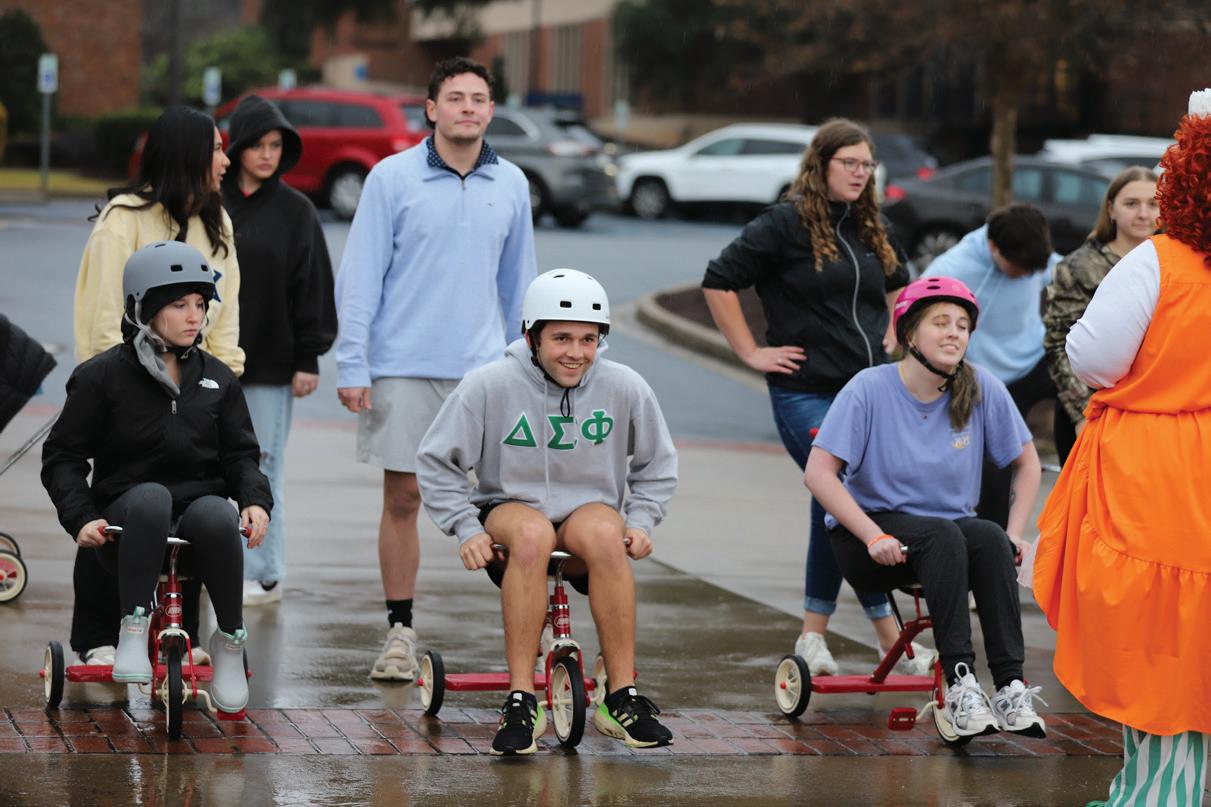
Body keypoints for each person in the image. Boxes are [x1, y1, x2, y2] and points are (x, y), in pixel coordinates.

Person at [701, 118, 931, 677]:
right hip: (805, 390)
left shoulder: (873, 225)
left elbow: (902, 286)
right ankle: (866, 636)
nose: (860, 173)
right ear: (821, 164)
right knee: (841, 494)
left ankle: (831, 637)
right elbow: (718, 279)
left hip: (867, 391)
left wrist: (896, 332)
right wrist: (750, 351)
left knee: (837, 504)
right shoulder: (784, 223)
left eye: (867, 164)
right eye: (849, 163)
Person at [417, 269, 677, 755]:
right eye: (561, 338)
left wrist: (642, 520)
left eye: (588, 339)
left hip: (586, 517)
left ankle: (621, 696)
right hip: (511, 512)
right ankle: (521, 698)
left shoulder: (625, 386)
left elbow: (657, 464)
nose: (576, 352)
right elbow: (437, 460)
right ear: (530, 337)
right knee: (534, 533)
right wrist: (465, 528)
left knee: (606, 532)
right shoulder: (488, 384)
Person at [1035, 89, 1211, 807]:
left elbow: (1092, 357)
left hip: (1152, 465)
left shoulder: (1156, 262)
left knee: (1158, 641)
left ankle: (1162, 795)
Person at [334, 56, 536, 682]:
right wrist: (353, 362)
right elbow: (361, 275)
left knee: (513, 502)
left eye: (478, 99)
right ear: (431, 109)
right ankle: (399, 632)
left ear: (491, 110)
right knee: (404, 497)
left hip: (488, 372)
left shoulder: (512, 183)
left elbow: (520, 283)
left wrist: (528, 365)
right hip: (401, 365)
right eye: (455, 98)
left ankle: (530, 633)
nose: (467, 108)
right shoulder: (391, 178)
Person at [805, 275, 1046, 741]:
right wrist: (872, 535)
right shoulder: (868, 388)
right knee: (946, 533)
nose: (954, 333)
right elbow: (819, 473)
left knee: (989, 536)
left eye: (962, 325)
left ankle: (1010, 686)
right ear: (910, 333)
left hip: (944, 534)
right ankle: (960, 685)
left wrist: (1015, 531)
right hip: (868, 537)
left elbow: (1027, 462)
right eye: (941, 322)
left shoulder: (981, 387)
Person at [42, 241, 270, 713]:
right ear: (143, 308)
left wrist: (254, 499)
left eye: (201, 304)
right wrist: (80, 516)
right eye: (179, 304)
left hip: (193, 531)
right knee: (151, 497)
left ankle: (229, 640)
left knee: (217, 512)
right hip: (124, 527)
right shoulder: (101, 377)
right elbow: (63, 455)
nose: (194, 316)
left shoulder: (218, 380)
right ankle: (131, 627)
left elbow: (241, 456)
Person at [70, 105, 244, 669]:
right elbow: (103, 314)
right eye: (216, 149)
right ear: (188, 155)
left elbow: (226, 312)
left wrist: (222, 385)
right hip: (127, 387)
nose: (226, 160)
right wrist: (115, 384)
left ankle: (179, 633)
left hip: (197, 387)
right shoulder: (123, 219)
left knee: (195, 501)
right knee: (122, 505)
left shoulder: (216, 222)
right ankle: (99, 634)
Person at [222, 95, 337, 605]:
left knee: (263, 468)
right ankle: (209, 567)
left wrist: (308, 357)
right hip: (211, 359)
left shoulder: (296, 211)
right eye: (258, 145)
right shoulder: (212, 202)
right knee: (202, 469)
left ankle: (263, 572)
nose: (267, 155)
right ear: (237, 148)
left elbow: (311, 285)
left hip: (271, 364)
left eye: (276, 145)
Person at [922, 204, 1060, 527]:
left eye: (1031, 271)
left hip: (1034, 359)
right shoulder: (954, 267)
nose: (1026, 275)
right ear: (994, 247)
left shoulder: (1033, 255)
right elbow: (917, 312)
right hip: (988, 379)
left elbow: (1065, 271)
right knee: (996, 468)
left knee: (1083, 391)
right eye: (1019, 269)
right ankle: (996, 541)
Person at [1042, 167, 1158, 465]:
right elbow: (1058, 344)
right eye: (1131, 203)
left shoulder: (1174, 265)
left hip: (1152, 411)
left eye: (1153, 204)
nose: (1144, 214)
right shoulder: (1077, 266)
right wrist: (1083, 413)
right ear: (1111, 209)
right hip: (1089, 408)